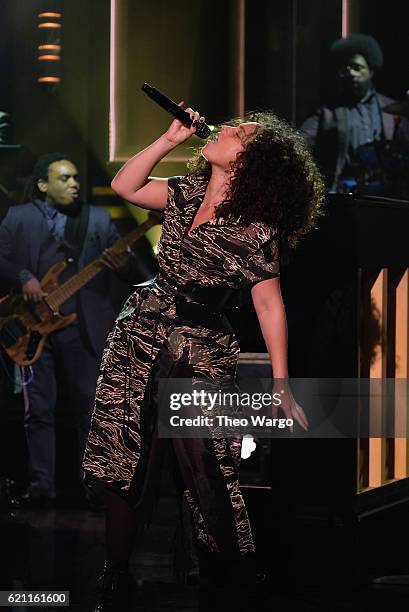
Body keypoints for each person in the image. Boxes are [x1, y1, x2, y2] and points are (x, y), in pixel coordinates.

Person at [82, 105, 324, 611]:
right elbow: (127, 186)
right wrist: (168, 139)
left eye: (239, 132)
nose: (225, 129)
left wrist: (281, 382)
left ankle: (231, 579)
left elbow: (268, 304)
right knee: (122, 454)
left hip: (199, 350)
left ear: (250, 163)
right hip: (139, 335)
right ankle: (115, 573)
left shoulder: (256, 228)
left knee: (210, 468)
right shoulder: (185, 192)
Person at [0, 152, 156, 507]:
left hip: (83, 329)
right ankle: (41, 487)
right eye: (64, 178)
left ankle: (93, 489)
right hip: (32, 329)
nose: (74, 184)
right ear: (42, 185)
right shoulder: (18, 217)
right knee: (37, 410)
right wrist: (24, 277)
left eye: (75, 177)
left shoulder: (97, 219)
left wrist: (125, 266)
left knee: (90, 409)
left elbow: (139, 274)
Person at [300, 33, 408, 194]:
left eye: (357, 68)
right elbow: (301, 141)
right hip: (342, 195)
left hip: (384, 195)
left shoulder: (391, 108)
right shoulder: (327, 111)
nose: (350, 72)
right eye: (345, 68)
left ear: (371, 71)